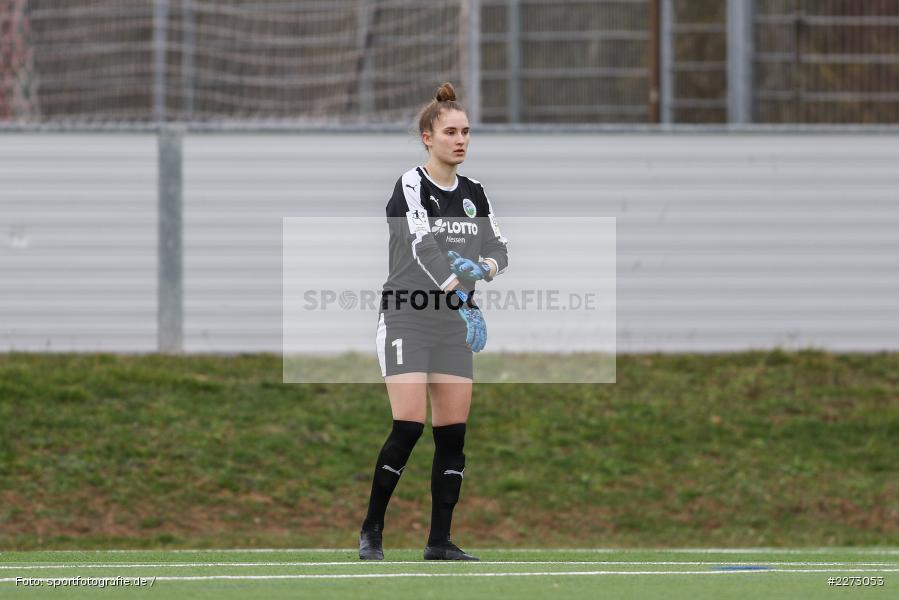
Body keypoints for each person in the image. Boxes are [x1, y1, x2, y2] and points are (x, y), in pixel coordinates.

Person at [359, 82, 509, 561]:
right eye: (450, 132)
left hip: (452, 325)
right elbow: (423, 247)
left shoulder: (475, 192)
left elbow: (499, 251)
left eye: (466, 132)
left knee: (453, 433)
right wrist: (461, 295)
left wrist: (480, 271)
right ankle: (372, 532)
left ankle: (439, 541)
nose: (460, 140)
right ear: (428, 137)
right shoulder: (411, 184)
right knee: (408, 426)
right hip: (408, 316)